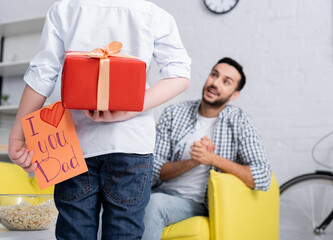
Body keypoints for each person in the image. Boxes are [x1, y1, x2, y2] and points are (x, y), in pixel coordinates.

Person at [8, 0, 191, 239]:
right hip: (131, 143)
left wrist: (17, 135)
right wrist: (130, 109)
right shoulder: (154, 14)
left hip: (73, 144)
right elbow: (179, 74)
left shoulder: (65, 9)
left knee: (74, 232)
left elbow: (42, 74)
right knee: (124, 232)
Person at [142, 57, 272, 239]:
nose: (215, 83)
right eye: (214, 75)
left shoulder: (240, 121)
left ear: (234, 94)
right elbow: (153, 167)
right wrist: (193, 162)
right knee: (116, 203)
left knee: (154, 204)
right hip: (159, 191)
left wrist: (213, 159)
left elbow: (262, 176)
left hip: (198, 203)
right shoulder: (174, 113)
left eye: (226, 82)